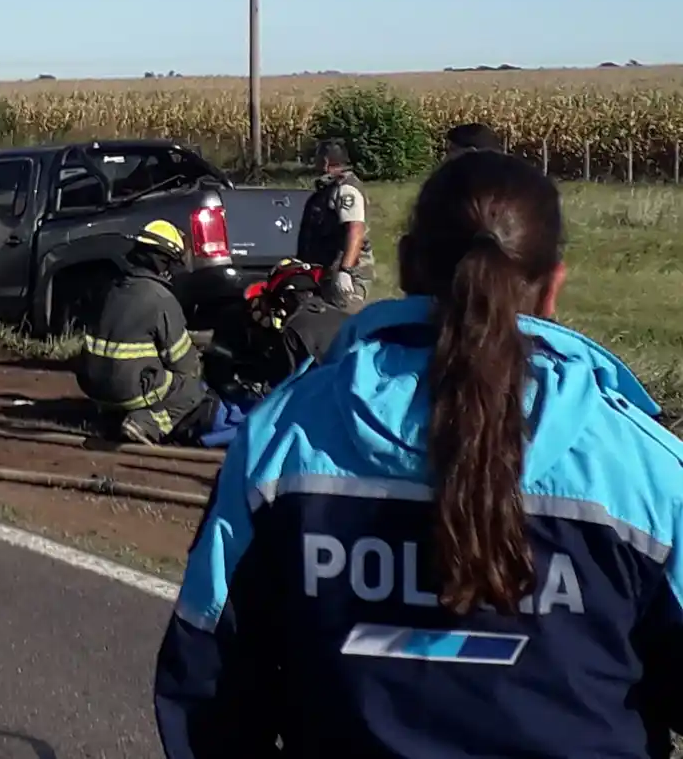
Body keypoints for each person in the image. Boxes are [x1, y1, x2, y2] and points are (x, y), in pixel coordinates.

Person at [153, 150, 683, 758]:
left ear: (406, 265)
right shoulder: (645, 471)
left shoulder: (283, 437)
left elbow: (208, 689)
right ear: (552, 286)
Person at [77, 219, 215, 445]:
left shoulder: (111, 287)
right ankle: (146, 424)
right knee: (191, 388)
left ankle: (113, 419)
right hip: (127, 387)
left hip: (92, 386)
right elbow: (184, 364)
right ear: (164, 263)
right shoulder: (161, 299)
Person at [295, 138, 372, 309]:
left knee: (344, 321)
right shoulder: (328, 189)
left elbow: (355, 229)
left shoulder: (346, 189)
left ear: (326, 161)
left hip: (343, 277)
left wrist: (345, 271)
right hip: (325, 274)